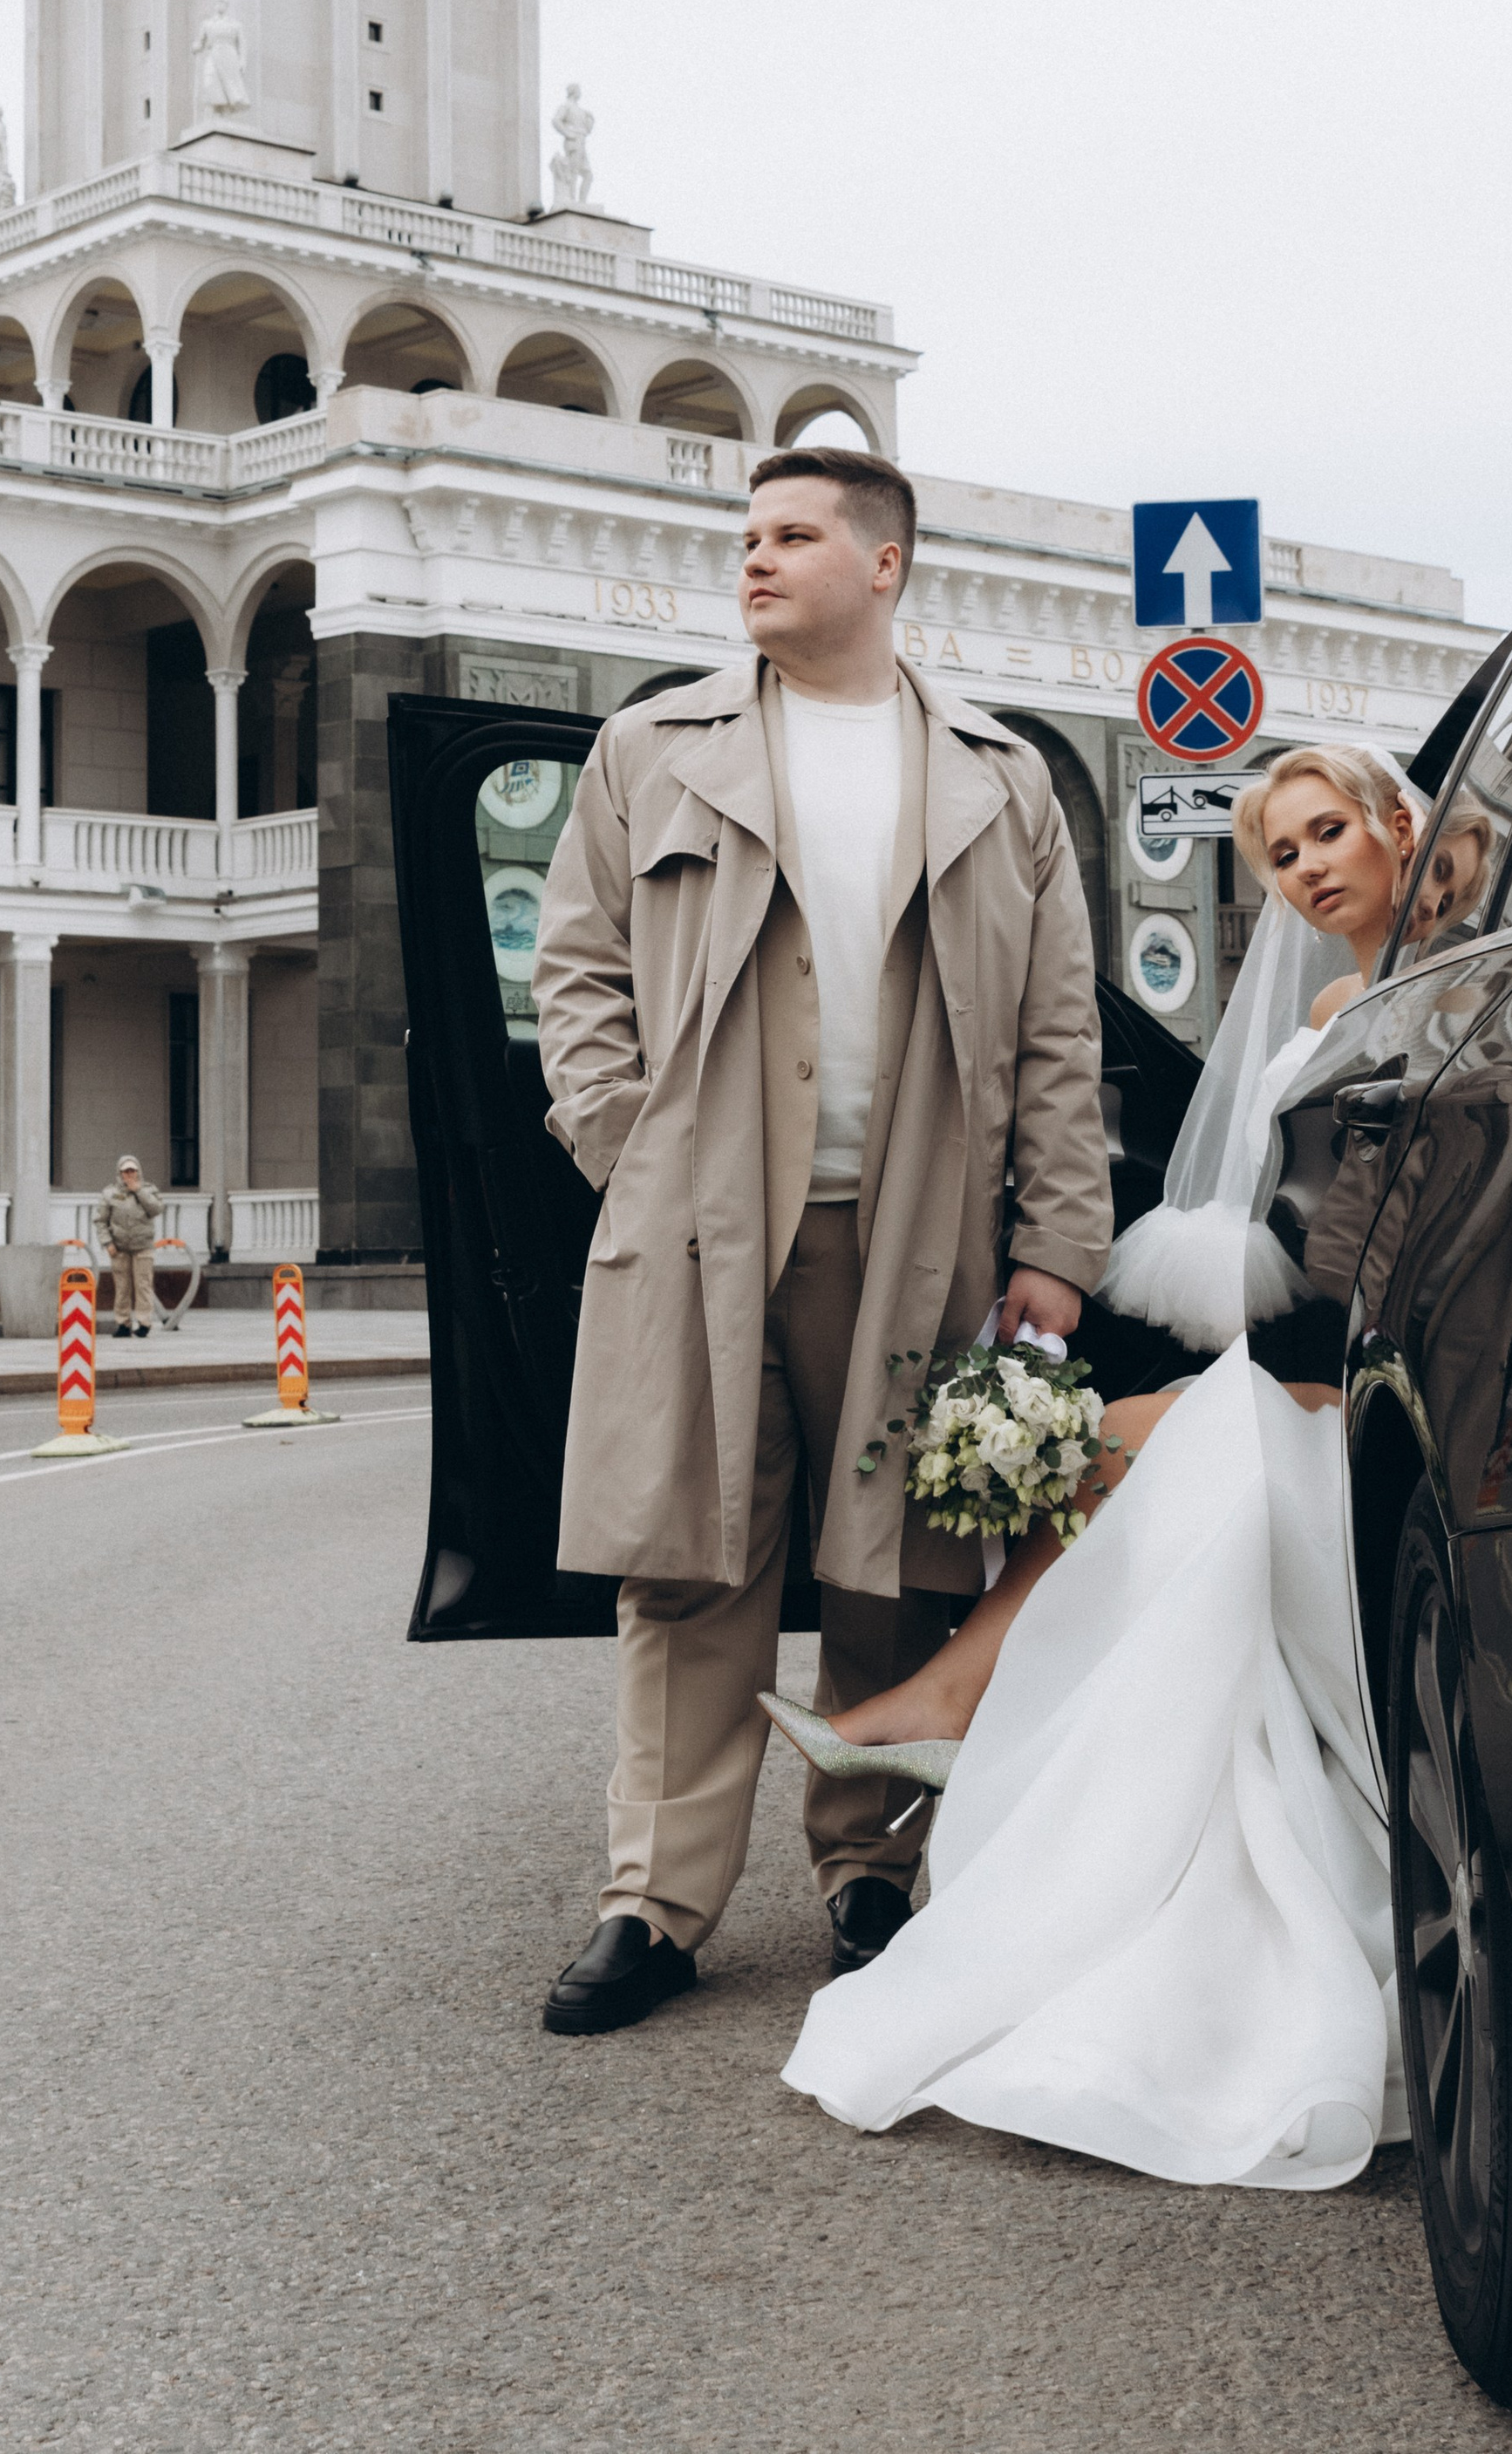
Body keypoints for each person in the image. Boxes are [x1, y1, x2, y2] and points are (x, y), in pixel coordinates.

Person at [768, 743, 1430, 2192]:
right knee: (1127, 1441)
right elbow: (1309, 1233)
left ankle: (950, 1701)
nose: (1311, 866)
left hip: (1409, 1394)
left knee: (1158, 1443)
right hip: (1335, 1372)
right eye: (1281, 855)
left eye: (1329, 832)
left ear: (1398, 827)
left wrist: (1304, 1369)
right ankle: (953, 1707)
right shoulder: (1330, 1006)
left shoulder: (1459, 1005)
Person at [529, 446, 1115, 2036]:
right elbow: (573, 973)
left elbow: (1063, 1034)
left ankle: (874, 1877)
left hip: (921, 1235)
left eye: (792, 536)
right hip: (703, 1226)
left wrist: (1060, 1239)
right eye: (747, 538)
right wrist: (628, 1151)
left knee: (898, 1573)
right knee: (686, 1570)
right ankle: (655, 1903)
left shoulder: (1003, 776)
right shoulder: (653, 746)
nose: (756, 561)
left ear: (885, 564)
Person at [93, 1156, 162, 1335]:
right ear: (120, 1173)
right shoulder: (110, 1193)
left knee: (143, 1285)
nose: (129, 1174)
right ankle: (123, 1323)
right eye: (126, 1171)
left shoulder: (148, 1190)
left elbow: (156, 1209)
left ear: (138, 1171)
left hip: (143, 1246)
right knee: (122, 1287)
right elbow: (100, 1221)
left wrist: (139, 1191)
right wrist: (107, 1242)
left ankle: (144, 1323)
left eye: (132, 1171)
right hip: (119, 1248)